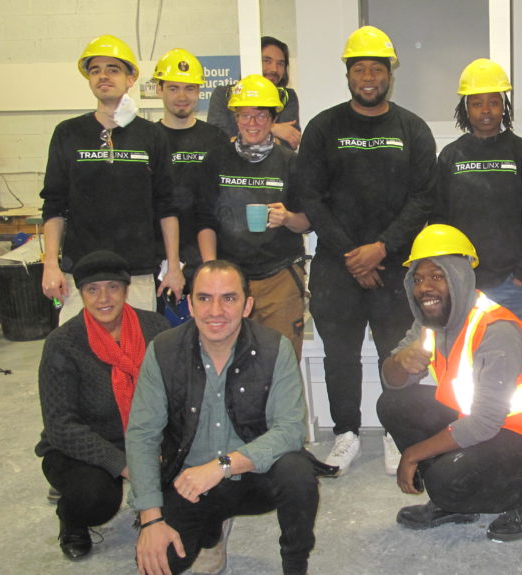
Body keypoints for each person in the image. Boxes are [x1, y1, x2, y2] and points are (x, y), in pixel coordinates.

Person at [126, 260, 324, 575]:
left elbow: (289, 430)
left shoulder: (275, 347)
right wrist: (150, 518)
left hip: (254, 475)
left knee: (298, 473)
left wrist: (221, 467)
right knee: (157, 561)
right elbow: (141, 435)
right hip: (189, 481)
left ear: (247, 305)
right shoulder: (163, 350)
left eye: (228, 298)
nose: (215, 310)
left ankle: (295, 565)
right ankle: (209, 532)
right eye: (204, 298)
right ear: (190, 304)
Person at [297, 25, 436, 474]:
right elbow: (311, 198)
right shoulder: (323, 127)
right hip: (338, 266)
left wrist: (381, 248)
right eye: (360, 68)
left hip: (396, 265)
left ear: (389, 75)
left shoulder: (411, 129)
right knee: (340, 354)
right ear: (349, 74)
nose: (369, 76)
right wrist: (351, 255)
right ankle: (346, 433)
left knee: (396, 352)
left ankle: (398, 431)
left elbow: (423, 198)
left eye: (377, 68)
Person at [378, 224, 522, 542]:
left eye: (437, 276)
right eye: (419, 278)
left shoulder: (495, 331)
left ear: (459, 277)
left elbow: (483, 423)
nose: (425, 287)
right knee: (393, 405)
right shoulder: (431, 321)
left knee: (444, 481)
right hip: (482, 421)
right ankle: (455, 502)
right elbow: (393, 382)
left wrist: (413, 454)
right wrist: (399, 363)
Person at [35, 250, 169, 560]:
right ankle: (72, 520)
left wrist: (160, 448)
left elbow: (176, 393)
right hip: (82, 447)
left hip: (146, 436)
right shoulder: (63, 343)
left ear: (126, 289)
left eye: (112, 287)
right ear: (81, 294)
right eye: (92, 289)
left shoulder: (156, 329)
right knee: (94, 498)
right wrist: (123, 464)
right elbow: (61, 427)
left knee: (189, 479)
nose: (103, 297)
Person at [40, 35, 183, 321]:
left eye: (113, 69)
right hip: (81, 273)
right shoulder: (67, 133)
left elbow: (166, 207)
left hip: (137, 272)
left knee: (138, 356)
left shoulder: (152, 135)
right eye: (95, 70)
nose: (103, 76)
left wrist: (174, 268)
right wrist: (50, 265)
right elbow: (54, 205)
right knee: (78, 355)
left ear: (131, 79)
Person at [195, 74, 309, 356]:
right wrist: (210, 272)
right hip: (229, 281)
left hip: (279, 279)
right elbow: (204, 220)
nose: (252, 123)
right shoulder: (216, 160)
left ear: (273, 119)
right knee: (227, 363)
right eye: (245, 116)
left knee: (281, 366)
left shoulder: (290, 163)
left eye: (260, 116)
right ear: (236, 118)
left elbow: (308, 221)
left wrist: (287, 218)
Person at [432, 58, 522, 321]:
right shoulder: (451, 156)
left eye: (494, 102)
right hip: (462, 283)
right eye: (477, 103)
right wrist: (448, 271)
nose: (486, 110)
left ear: (504, 107)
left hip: (511, 283)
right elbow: (438, 219)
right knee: (465, 356)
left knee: (512, 356)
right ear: (466, 109)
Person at [152, 48, 228, 299]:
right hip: (156, 259)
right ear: (159, 90)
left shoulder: (216, 139)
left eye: (190, 88)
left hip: (206, 255)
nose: (182, 96)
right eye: (173, 88)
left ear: (199, 92)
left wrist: (212, 262)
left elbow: (221, 202)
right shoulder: (147, 139)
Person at [207, 36, 302, 150]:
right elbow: (218, 142)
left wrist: (240, 137)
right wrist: (273, 129)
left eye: (280, 63)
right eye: (267, 61)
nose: (274, 69)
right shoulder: (223, 94)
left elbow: (288, 144)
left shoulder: (287, 97)